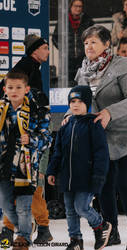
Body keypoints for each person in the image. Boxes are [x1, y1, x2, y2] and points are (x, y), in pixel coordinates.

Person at [71, 25, 127, 250]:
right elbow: (77, 102)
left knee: (126, 183)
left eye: (93, 41)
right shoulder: (82, 71)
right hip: (101, 136)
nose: (88, 46)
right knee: (104, 186)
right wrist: (68, 117)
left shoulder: (121, 64)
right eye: (85, 43)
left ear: (106, 44)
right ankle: (111, 231)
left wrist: (109, 112)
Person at [0, 34, 53, 246]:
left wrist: (31, 138)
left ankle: (37, 227)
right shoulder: (26, 70)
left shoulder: (32, 70)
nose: (48, 52)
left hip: (30, 146)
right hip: (18, 149)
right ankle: (16, 228)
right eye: (45, 48)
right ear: (35, 50)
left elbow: (41, 124)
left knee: (32, 188)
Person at [47, 85, 111, 250]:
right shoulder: (65, 126)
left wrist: (98, 178)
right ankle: (75, 240)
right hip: (67, 177)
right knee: (70, 210)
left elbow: (101, 154)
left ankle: (100, 226)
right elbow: (57, 152)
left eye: (80, 101)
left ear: (88, 103)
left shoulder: (94, 125)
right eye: (73, 101)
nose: (76, 104)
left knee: (81, 207)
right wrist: (52, 171)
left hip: (87, 177)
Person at [52, 0, 95, 85]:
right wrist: (63, 49)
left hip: (83, 58)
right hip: (67, 60)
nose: (78, 9)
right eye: (76, 6)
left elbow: (95, 37)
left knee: (83, 84)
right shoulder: (63, 20)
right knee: (68, 84)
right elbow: (55, 37)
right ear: (70, 7)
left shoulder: (88, 21)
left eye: (80, 6)